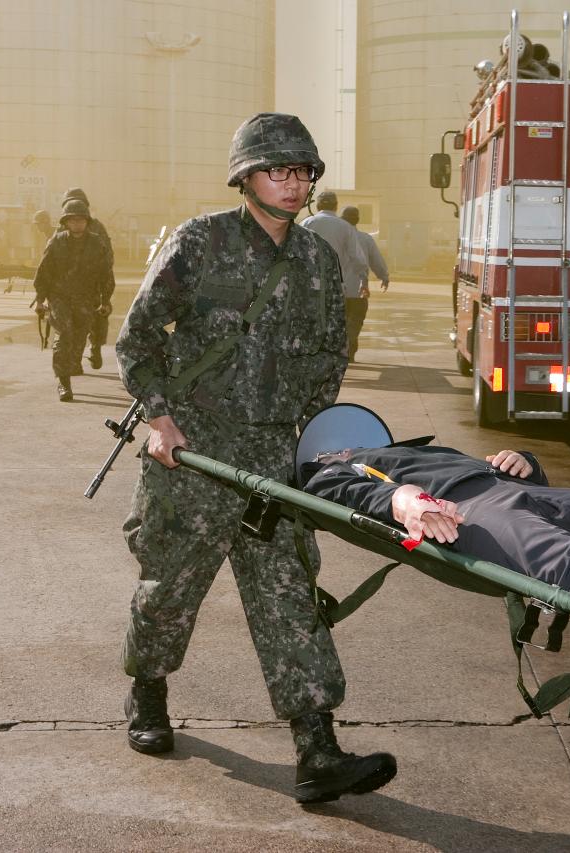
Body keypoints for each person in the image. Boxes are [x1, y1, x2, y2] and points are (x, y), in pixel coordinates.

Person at [114, 112, 396, 805]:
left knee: (289, 595)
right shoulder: (201, 241)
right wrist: (160, 418)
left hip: (273, 459)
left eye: (303, 172)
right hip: (196, 453)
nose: (295, 183)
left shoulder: (316, 261)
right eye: (280, 170)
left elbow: (333, 348)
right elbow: (137, 337)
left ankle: (316, 748)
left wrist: (310, 431)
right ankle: (147, 693)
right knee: (169, 589)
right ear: (246, 178)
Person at [300, 439, 570, 627]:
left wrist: (524, 461)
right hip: (464, 511)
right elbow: (326, 487)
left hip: (521, 490)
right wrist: (401, 497)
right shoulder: (341, 466)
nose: (347, 446)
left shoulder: (424, 451)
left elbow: (508, 468)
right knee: (566, 561)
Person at [32, 200, 111, 401]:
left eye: (81, 220)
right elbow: (44, 272)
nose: (77, 223)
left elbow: (105, 274)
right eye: (73, 220)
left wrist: (105, 300)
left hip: (86, 299)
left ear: (86, 221)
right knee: (63, 335)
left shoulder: (96, 243)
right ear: (66, 222)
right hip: (60, 297)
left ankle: (74, 362)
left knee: (78, 339)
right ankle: (63, 383)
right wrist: (40, 299)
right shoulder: (56, 241)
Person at [300, 190, 367, 360]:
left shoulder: (306, 223)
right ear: (336, 206)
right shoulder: (344, 227)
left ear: (318, 205)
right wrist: (363, 279)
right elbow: (356, 257)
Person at [58, 188, 116, 370]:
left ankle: (87, 353)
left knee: (87, 320)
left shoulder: (92, 227)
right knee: (85, 320)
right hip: (79, 285)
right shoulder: (69, 228)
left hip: (89, 284)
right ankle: (91, 350)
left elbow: (107, 256)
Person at [339, 205, 390, 363]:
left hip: (337, 290)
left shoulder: (335, 238)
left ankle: (343, 348)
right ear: (358, 220)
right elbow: (376, 261)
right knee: (355, 320)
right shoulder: (365, 238)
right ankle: (350, 349)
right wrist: (384, 276)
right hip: (358, 290)